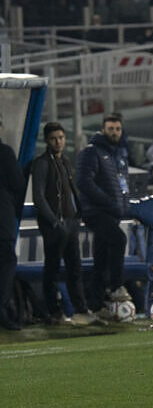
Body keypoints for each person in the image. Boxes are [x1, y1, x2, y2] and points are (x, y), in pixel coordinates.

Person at [31, 122, 92, 326]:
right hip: (54, 225)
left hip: (70, 221)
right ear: (47, 141)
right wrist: (54, 222)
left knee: (75, 268)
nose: (58, 142)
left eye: (61, 138)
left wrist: (78, 215)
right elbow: (38, 197)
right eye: (54, 138)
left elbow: (72, 189)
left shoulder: (65, 161)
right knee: (53, 269)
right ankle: (53, 312)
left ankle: (80, 310)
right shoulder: (41, 163)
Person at [76, 115, 131, 313]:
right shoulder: (91, 152)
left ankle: (96, 304)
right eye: (111, 129)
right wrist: (108, 202)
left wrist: (122, 205)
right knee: (119, 239)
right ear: (103, 130)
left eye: (117, 129)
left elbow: (121, 184)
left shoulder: (119, 154)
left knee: (101, 259)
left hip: (111, 213)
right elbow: (83, 182)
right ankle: (116, 287)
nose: (114, 132)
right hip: (95, 211)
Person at [0, 121, 25, 330]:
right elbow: (18, 184)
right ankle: (2, 310)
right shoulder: (5, 153)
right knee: (6, 262)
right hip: (2, 220)